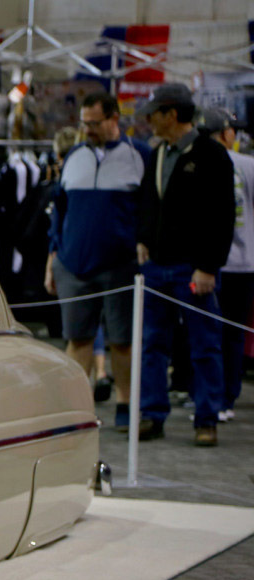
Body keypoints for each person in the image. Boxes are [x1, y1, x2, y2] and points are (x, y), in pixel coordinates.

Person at [135, 83, 234, 446]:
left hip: (193, 270)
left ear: (172, 114)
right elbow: (147, 201)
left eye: (155, 113)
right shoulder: (157, 153)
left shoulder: (211, 155)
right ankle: (151, 413)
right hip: (156, 268)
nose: (149, 120)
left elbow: (223, 216)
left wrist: (208, 266)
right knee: (152, 344)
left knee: (204, 345)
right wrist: (143, 239)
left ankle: (206, 418)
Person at [45, 92, 149, 431]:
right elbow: (60, 210)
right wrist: (53, 256)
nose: (87, 129)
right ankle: (79, 409)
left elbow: (151, 210)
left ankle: (125, 404)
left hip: (120, 266)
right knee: (78, 338)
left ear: (113, 118)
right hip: (74, 264)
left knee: (121, 340)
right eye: (84, 123)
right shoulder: (74, 155)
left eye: (93, 123)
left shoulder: (139, 156)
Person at [199, 108, 254, 423]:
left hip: (208, 263)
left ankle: (209, 396)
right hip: (238, 266)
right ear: (226, 134)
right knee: (229, 335)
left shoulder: (194, 162)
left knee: (207, 334)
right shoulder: (246, 165)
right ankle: (224, 398)